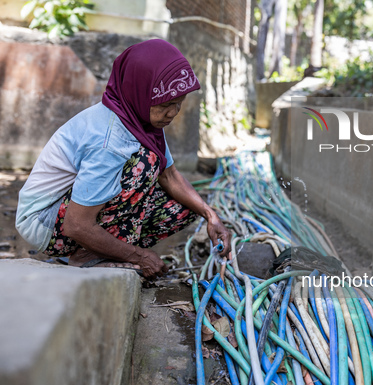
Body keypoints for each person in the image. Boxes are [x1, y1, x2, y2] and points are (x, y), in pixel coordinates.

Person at [15, 39, 231, 278]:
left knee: (184, 207)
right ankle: (85, 255)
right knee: (144, 163)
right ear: (139, 93)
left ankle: (102, 250)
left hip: (73, 215)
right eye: (166, 105)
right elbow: (75, 224)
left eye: (178, 104)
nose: (172, 113)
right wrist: (138, 255)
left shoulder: (140, 122)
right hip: (45, 221)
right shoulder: (110, 141)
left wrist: (211, 216)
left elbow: (169, 175)